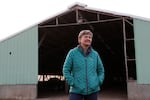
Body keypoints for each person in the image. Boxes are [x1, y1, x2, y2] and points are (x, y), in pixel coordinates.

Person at [63, 30, 105, 100]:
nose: (88, 39)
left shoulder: (95, 54)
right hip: (76, 90)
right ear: (79, 39)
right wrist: (73, 82)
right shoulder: (72, 53)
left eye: (90, 37)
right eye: (86, 37)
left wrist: (98, 81)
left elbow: (101, 70)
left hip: (93, 90)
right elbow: (66, 70)